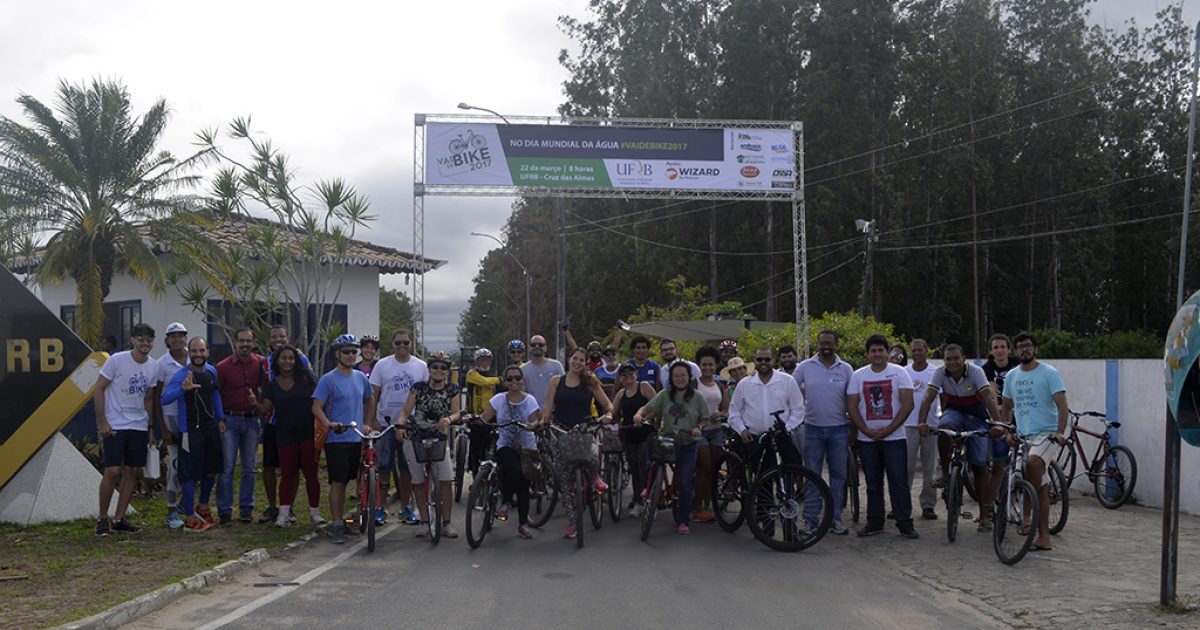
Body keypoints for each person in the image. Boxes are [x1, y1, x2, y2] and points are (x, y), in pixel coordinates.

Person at [917, 343, 1005, 531]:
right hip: (954, 411)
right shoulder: (940, 372)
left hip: (976, 416)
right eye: (948, 359)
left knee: (979, 465)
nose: (952, 362)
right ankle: (946, 473)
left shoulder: (976, 372)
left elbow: (989, 398)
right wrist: (922, 422)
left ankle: (985, 516)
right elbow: (928, 397)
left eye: (956, 358)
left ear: (964, 359)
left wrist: (997, 423)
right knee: (944, 428)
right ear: (944, 361)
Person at [999, 332, 1068, 552]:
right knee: (1038, 483)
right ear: (1015, 351)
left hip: (1046, 435)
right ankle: (1042, 535)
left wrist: (1059, 432)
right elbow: (1006, 406)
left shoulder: (1049, 373)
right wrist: (1007, 430)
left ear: (1035, 349)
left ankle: (1031, 520)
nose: (1024, 350)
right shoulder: (1011, 376)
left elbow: (1062, 405)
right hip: (1023, 435)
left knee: (1034, 465)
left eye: (1028, 346)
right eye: (1019, 347)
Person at [847, 334, 917, 539]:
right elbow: (851, 406)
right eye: (873, 350)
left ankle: (905, 523)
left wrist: (889, 429)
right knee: (872, 483)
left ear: (887, 352)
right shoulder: (858, 375)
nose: (877, 354)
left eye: (881, 350)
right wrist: (865, 430)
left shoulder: (900, 373)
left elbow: (908, 404)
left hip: (894, 439)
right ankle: (874, 522)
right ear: (867, 353)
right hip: (867, 440)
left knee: (898, 481)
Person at [93, 323, 159, 536]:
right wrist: (103, 421)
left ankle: (119, 519)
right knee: (112, 471)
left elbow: (149, 398)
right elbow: (99, 389)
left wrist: (150, 428)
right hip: (116, 424)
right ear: (132, 340)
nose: (145, 344)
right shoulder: (116, 360)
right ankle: (102, 519)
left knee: (132, 471)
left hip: (139, 425)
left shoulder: (153, 366)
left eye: (149, 340)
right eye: (141, 339)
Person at [541, 346, 613, 539]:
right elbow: (548, 406)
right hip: (560, 431)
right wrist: (543, 421)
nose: (577, 362)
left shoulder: (590, 381)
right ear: (569, 360)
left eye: (582, 360)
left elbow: (608, 404)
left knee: (591, 456)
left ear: (585, 363)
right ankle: (573, 521)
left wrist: (608, 415)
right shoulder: (556, 381)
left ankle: (595, 478)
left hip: (583, 429)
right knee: (563, 479)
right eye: (575, 358)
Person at [312, 334, 377, 544]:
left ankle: (357, 518)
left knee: (357, 480)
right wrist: (328, 423)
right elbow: (316, 407)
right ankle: (338, 524)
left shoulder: (360, 377)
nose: (351, 355)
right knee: (338, 482)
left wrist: (368, 421)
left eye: (353, 352)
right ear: (337, 354)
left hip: (357, 437)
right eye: (346, 352)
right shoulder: (328, 379)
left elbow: (370, 398)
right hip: (336, 439)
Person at [252, 345, 323, 527]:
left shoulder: (306, 378)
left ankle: (315, 514)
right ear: (277, 361)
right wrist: (254, 403)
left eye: (291, 358)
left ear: (296, 361)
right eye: (283, 358)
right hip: (284, 434)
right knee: (287, 474)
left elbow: (321, 398)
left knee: (311, 474)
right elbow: (265, 409)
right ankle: (283, 514)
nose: (287, 362)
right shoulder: (272, 385)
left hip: (307, 433)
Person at [634, 361, 708, 534]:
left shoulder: (698, 397)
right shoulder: (665, 395)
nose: (680, 378)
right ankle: (651, 488)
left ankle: (683, 520)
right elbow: (647, 408)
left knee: (684, 482)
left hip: (688, 443)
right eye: (676, 375)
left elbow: (705, 418)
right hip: (666, 440)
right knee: (649, 461)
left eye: (683, 375)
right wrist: (639, 415)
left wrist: (699, 427)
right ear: (671, 378)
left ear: (689, 377)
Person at [161, 337, 224, 532]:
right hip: (189, 430)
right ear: (189, 352)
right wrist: (183, 389)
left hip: (210, 428)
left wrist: (220, 418)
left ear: (207, 352)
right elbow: (165, 399)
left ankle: (203, 508)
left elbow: (215, 394)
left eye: (201, 351)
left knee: (210, 469)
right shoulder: (181, 375)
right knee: (189, 475)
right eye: (194, 351)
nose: (198, 355)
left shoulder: (212, 371)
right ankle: (188, 517)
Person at [395, 351, 461, 539]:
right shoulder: (418, 388)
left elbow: (457, 413)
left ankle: (447, 523)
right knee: (417, 481)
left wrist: (449, 418)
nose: (439, 370)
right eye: (435, 367)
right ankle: (424, 522)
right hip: (416, 436)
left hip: (439, 438)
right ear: (429, 369)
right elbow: (405, 411)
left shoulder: (452, 390)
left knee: (446, 480)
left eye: (443, 368)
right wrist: (400, 425)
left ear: (447, 371)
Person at [795, 330, 855, 535]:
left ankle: (835, 518)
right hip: (812, 429)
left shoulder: (846, 369)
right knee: (812, 475)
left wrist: (853, 426)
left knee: (838, 477)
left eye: (829, 343)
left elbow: (852, 399)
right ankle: (810, 520)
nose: (826, 346)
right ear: (817, 344)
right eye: (822, 343)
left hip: (839, 429)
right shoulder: (804, 367)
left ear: (836, 344)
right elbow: (792, 391)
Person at [370, 329, 428, 526]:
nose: (402, 347)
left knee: (406, 468)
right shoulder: (382, 365)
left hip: (410, 427)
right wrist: (372, 421)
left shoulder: (421, 366)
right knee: (383, 466)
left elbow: (426, 396)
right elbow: (373, 395)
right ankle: (380, 508)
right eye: (398, 343)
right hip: (386, 424)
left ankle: (405, 508)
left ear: (411, 343)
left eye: (405, 343)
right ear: (392, 344)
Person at [480, 364, 539, 539]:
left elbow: (535, 421)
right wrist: (477, 421)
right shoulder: (498, 399)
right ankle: (505, 502)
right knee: (514, 470)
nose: (514, 381)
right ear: (505, 382)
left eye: (517, 378)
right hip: (505, 445)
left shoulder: (530, 400)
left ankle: (522, 524)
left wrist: (532, 425)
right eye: (510, 378)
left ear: (522, 381)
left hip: (527, 448)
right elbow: (485, 418)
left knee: (523, 485)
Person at [215, 328, 267, 524]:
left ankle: (246, 508)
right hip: (230, 420)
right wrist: (219, 418)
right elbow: (216, 394)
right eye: (241, 341)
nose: (245, 344)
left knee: (250, 467)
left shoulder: (261, 364)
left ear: (253, 343)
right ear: (235, 343)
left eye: (248, 341)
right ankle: (225, 510)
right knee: (227, 467)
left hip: (252, 420)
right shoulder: (223, 367)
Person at [259, 325, 310, 525]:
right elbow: (261, 387)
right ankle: (272, 506)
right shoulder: (263, 362)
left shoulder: (301, 359)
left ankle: (289, 507)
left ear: (288, 338)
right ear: (269, 340)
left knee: (293, 468)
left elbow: (309, 383)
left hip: (295, 422)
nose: (278, 339)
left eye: (282, 336)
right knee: (269, 465)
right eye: (274, 337)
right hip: (272, 421)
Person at [727, 347, 805, 466]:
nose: (763, 362)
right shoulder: (744, 384)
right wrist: (741, 430)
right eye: (759, 359)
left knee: (792, 471)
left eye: (767, 359)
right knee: (761, 479)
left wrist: (787, 428)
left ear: (773, 361)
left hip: (782, 437)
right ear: (755, 361)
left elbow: (798, 409)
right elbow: (734, 413)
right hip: (754, 439)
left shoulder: (787, 381)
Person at [153, 322, 188, 529]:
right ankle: (171, 509)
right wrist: (162, 429)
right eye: (172, 336)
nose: (176, 340)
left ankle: (187, 505)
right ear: (167, 340)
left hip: (190, 419)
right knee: (175, 464)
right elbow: (156, 396)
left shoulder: (194, 357)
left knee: (190, 463)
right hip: (170, 417)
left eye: (180, 336)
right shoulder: (162, 364)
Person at [610, 363, 656, 516]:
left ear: (636, 373)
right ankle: (638, 501)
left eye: (630, 373)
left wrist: (645, 419)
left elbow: (657, 406)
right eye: (624, 374)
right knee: (634, 468)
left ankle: (649, 500)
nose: (627, 376)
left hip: (646, 432)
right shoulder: (621, 394)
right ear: (620, 378)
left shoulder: (644, 386)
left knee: (644, 465)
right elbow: (613, 411)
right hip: (628, 433)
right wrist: (606, 418)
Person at [692, 346, 729, 523]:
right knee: (704, 467)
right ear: (699, 366)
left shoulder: (720, 385)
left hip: (716, 431)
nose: (707, 368)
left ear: (716, 366)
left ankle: (710, 504)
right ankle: (698, 507)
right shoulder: (693, 384)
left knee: (714, 469)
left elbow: (726, 409)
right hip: (699, 431)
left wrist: (720, 415)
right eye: (704, 365)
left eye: (711, 365)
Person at [904, 339, 940, 521]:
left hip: (931, 425)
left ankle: (928, 505)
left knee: (929, 468)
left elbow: (944, 398)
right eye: (914, 351)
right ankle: (902, 505)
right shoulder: (904, 372)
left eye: (920, 350)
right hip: (908, 425)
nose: (917, 353)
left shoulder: (935, 372)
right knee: (906, 467)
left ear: (927, 351)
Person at [982, 333, 1019, 492]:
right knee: (999, 454)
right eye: (996, 347)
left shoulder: (1017, 364)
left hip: (1019, 410)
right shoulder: (987, 368)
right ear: (991, 351)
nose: (1000, 351)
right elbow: (991, 393)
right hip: (998, 412)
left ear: (1009, 349)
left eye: (1003, 347)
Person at [465, 347, 503, 478]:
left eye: (487, 360)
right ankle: (476, 476)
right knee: (477, 450)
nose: (484, 363)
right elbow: (483, 382)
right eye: (481, 360)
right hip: (476, 418)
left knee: (495, 448)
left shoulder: (493, 376)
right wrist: (500, 379)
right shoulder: (472, 374)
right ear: (476, 361)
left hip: (493, 418)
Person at [521, 334, 564, 408]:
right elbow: (522, 393)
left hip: (555, 411)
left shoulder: (556, 366)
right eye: (533, 345)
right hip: (533, 412)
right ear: (529, 348)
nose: (537, 347)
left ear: (545, 348)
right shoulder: (523, 369)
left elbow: (564, 389)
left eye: (540, 345)